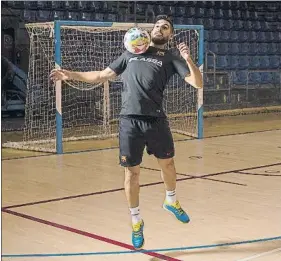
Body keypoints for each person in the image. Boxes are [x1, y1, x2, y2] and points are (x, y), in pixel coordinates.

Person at [50, 15, 203, 249]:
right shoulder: (131, 53)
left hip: (156, 120)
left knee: (169, 165)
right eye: (157, 26)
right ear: (150, 31)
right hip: (129, 121)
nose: (160, 29)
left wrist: (188, 59)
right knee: (132, 174)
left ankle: (171, 201)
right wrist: (70, 74)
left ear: (170, 35)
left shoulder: (171, 56)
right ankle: (135, 221)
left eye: (165, 27)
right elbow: (101, 75)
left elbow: (197, 83)